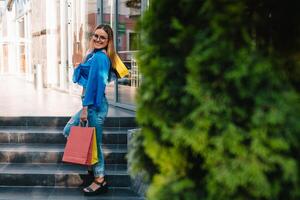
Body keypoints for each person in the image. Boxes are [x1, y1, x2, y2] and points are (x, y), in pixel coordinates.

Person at [63, 24, 117, 196]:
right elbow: (81, 74)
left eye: (103, 37)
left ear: (108, 41)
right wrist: (86, 52)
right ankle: (93, 170)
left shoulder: (101, 58)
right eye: (96, 36)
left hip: (94, 106)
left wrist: (85, 108)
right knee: (69, 130)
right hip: (91, 104)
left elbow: (94, 86)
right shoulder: (93, 55)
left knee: (95, 144)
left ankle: (100, 179)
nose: (98, 39)